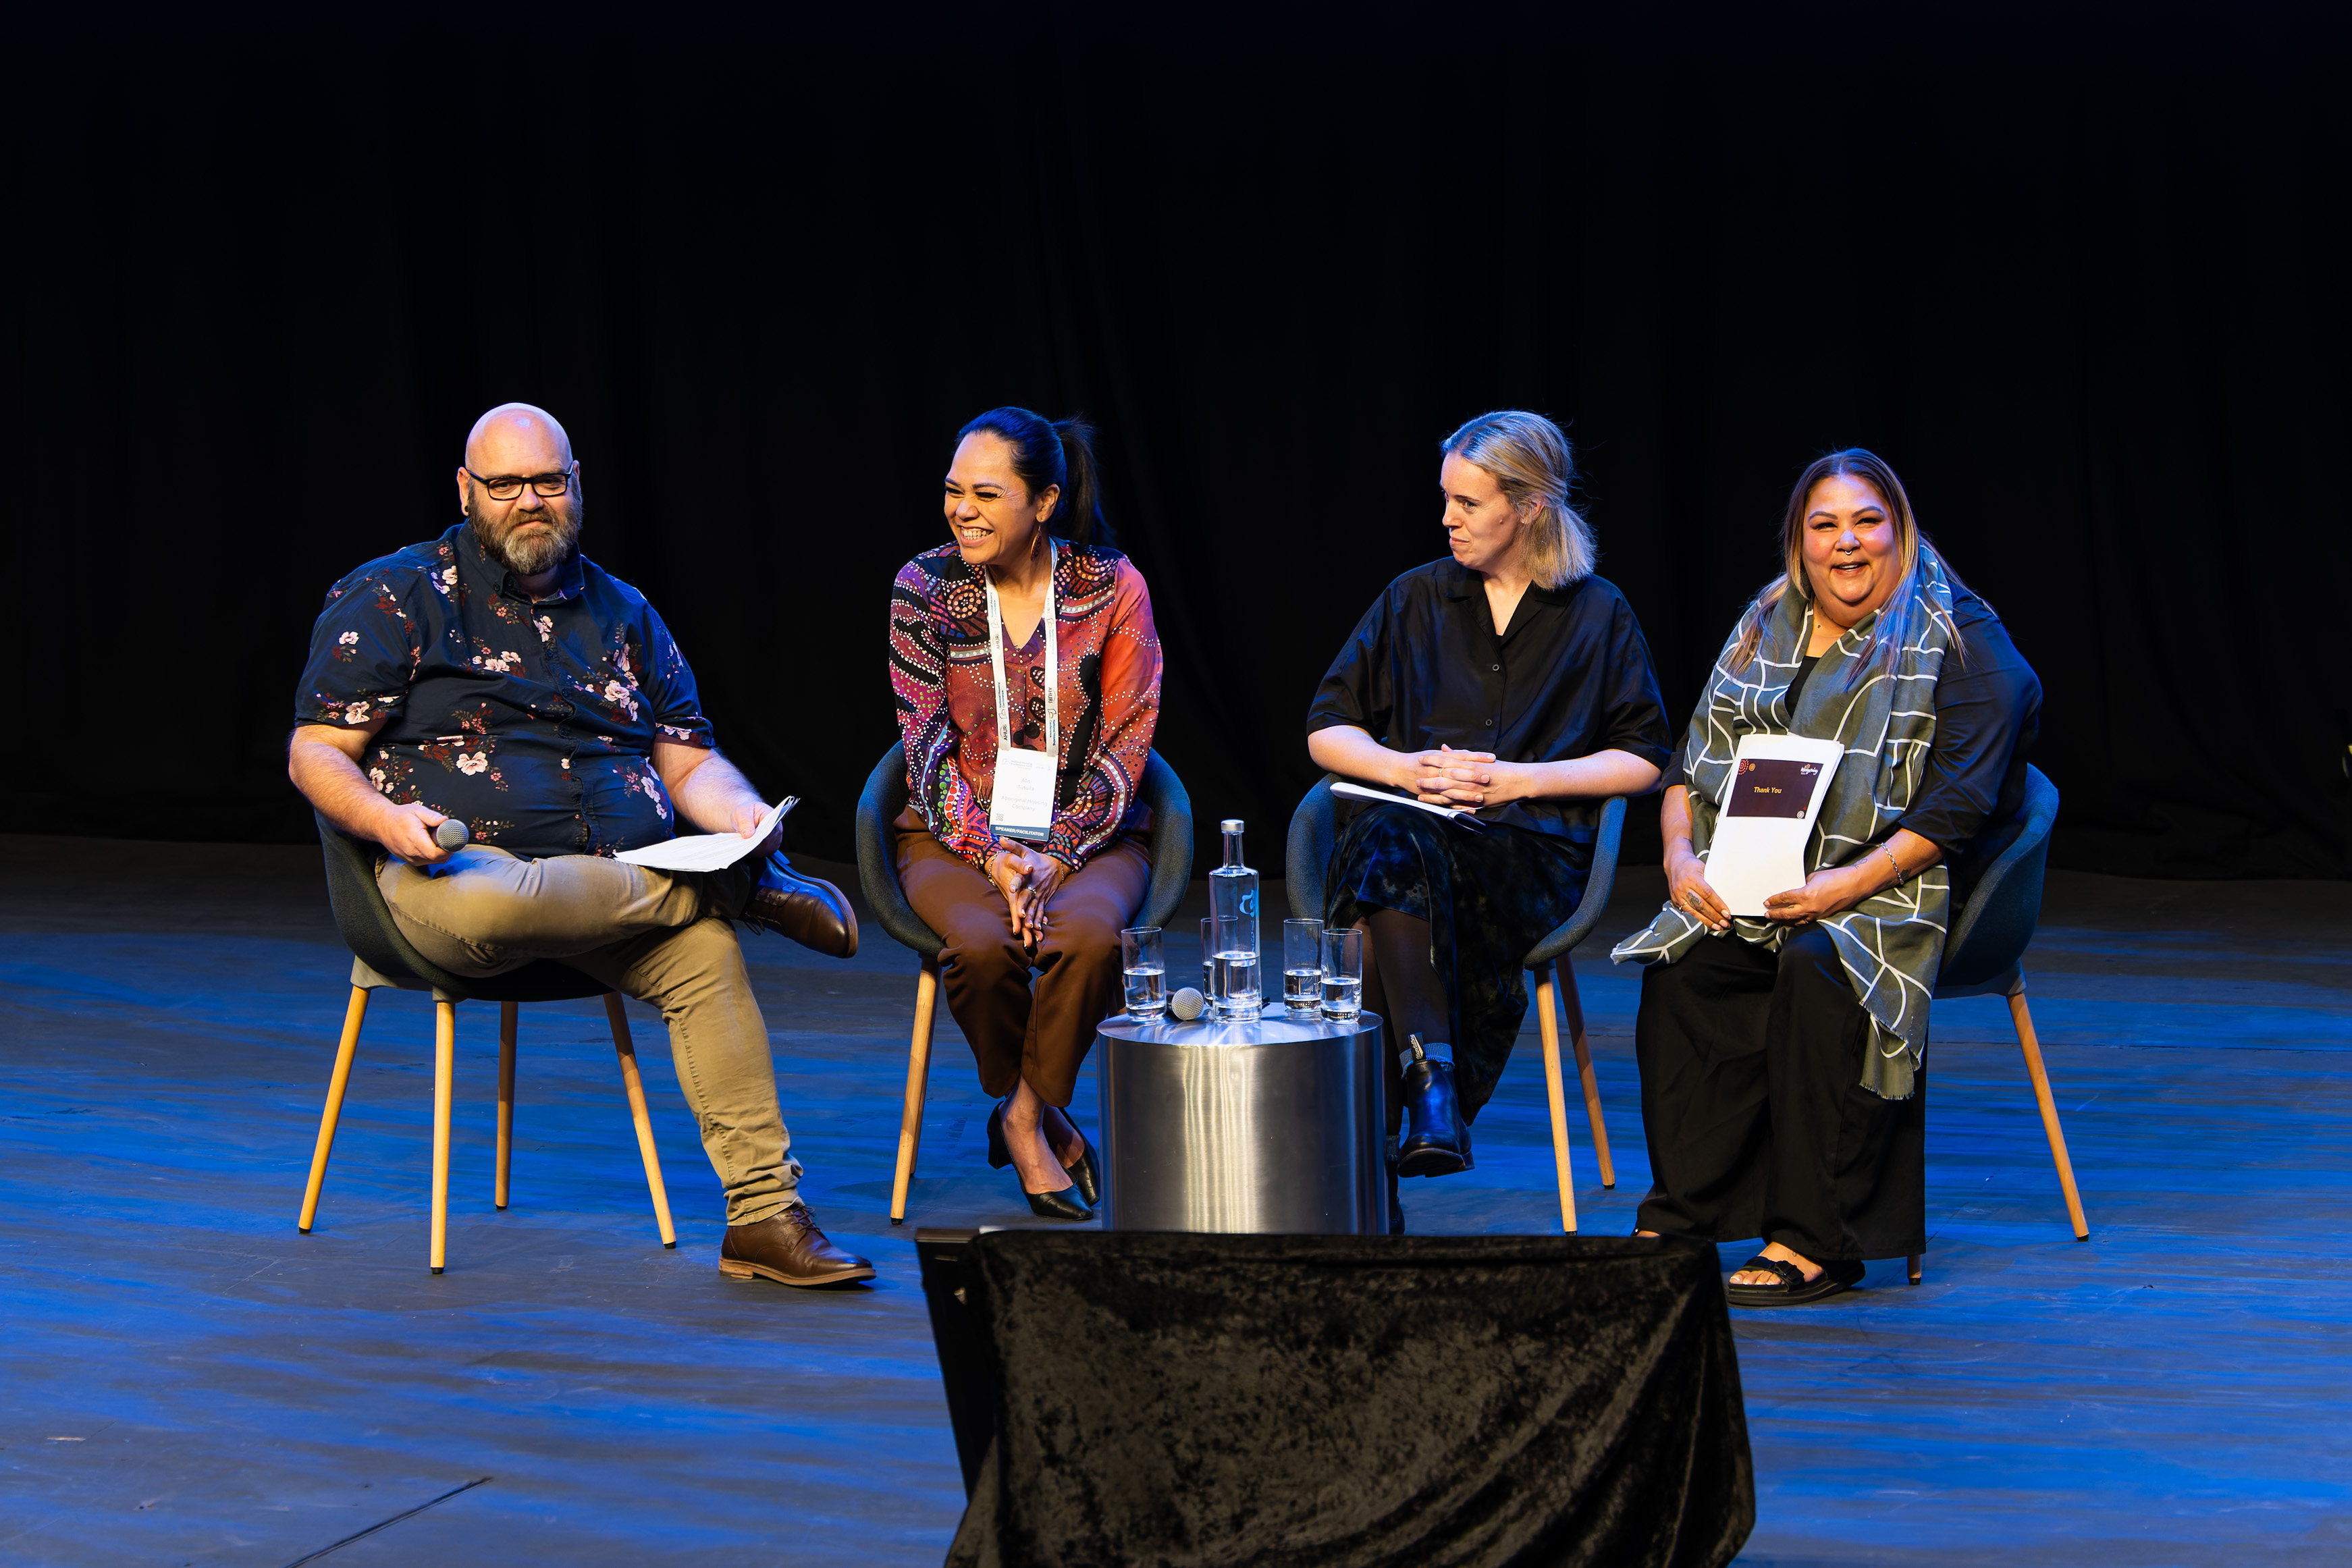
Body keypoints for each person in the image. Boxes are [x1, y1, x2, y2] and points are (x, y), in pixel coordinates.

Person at [288, 402, 875, 1290]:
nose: (530, 500)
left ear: (576, 486)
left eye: (548, 481)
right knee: (499, 893)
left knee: (705, 956)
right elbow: (315, 752)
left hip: (613, 888)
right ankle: (733, 889)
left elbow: (687, 760)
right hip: (449, 876)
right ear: (465, 489)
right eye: (506, 484)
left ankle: (762, 1217)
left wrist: (741, 816)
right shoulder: (396, 594)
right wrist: (382, 820)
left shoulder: (624, 611)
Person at [1613, 448, 2041, 1306]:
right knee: (1690, 967)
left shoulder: (1956, 636)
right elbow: (1689, 772)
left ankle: (1816, 1237)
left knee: (1820, 965)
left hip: (1900, 885)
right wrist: (1679, 858)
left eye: (1866, 522)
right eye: (1824, 526)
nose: (1846, 544)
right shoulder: (1768, 619)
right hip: (1765, 876)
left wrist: (1841, 888)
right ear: (1798, 545)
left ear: (1900, 531)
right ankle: (1688, 1210)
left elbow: (1953, 812)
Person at [1306, 410, 1672, 1228]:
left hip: (1526, 854)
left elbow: (1645, 755)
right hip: (1410, 839)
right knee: (1393, 842)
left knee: (1377, 891)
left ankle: (1372, 1166)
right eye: (1446, 500)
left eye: (1468, 503)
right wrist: (1406, 769)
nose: (1448, 519)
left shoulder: (1596, 612)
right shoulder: (1414, 597)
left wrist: (1522, 782)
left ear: (1530, 507)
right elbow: (1326, 727)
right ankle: (1428, 1091)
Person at [888, 408, 1161, 1220]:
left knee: (1085, 938)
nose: (961, 510)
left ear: (1043, 502)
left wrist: (1059, 852)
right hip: (955, 831)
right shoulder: (924, 586)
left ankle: (1019, 1114)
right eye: (952, 492)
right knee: (979, 944)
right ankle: (1037, 1107)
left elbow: (1130, 736)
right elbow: (925, 741)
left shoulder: (1112, 586)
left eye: (984, 494)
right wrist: (991, 854)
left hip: (1092, 833)